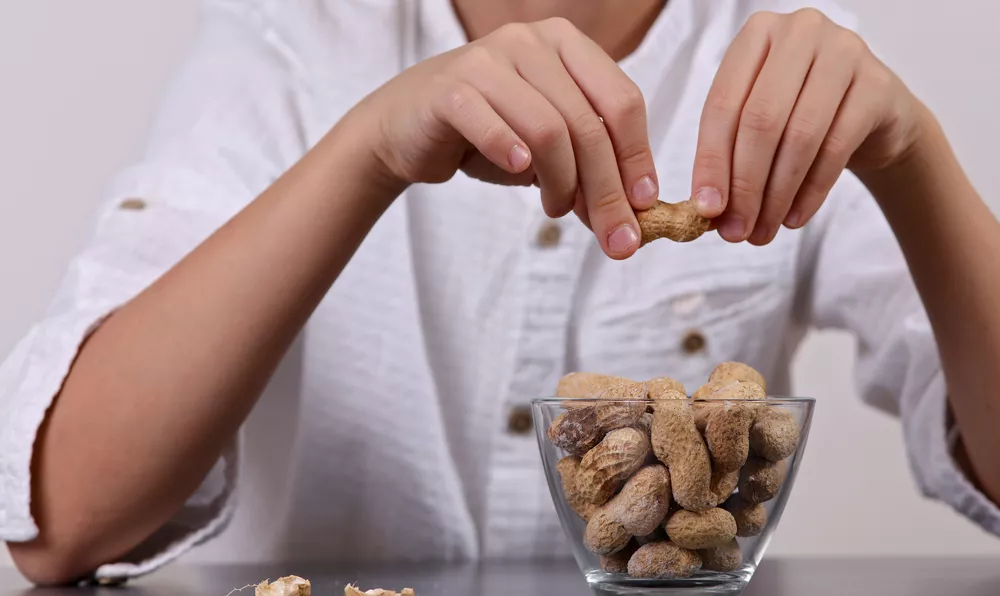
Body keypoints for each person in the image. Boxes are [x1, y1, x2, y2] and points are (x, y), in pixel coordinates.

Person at [2, 0, 999, 586]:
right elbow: (60, 522)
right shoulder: (294, 41)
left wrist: (911, 156)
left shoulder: (782, 56)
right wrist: (368, 150)